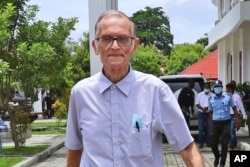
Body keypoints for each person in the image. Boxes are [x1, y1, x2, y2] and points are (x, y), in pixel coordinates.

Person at [65, 10, 203, 167]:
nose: (115, 46)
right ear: (95, 46)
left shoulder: (155, 91)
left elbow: (187, 148)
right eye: (106, 39)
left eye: (123, 39)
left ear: (134, 45)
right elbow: (75, 149)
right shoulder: (81, 93)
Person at [208, 80, 240, 167]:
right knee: (213, 144)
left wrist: (237, 120)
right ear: (213, 89)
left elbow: (234, 108)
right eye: (216, 87)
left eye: (219, 87)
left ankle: (222, 163)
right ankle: (217, 156)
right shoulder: (210, 98)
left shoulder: (228, 96)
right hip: (215, 123)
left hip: (226, 123)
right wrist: (211, 123)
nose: (217, 88)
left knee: (224, 144)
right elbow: (210, 112)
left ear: (222, 88)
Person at [226, 83, 247, 151]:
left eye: (227, 89)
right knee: (231, 131)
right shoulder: (225, 96)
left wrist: (244, 115)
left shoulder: (237, 97)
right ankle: (234, 143)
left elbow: (241, 106)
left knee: (231, 131)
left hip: (234, 116)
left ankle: (230, 146)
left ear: (231, 89)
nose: (226, 90)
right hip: (227, 116)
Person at [195, 82, 212, 148]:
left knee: (209, 129)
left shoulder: (212, 95)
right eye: (205, 87)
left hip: (209, 114)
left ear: (209, 88)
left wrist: (207, 108)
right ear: (203, 87)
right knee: (200, 129)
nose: (206, 88)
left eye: (207, 87)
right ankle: (200, 143)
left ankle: (209, 143)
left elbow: (213, 104)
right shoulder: (199, 95)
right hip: (201, 114)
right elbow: (197, 103)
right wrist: (202, 108)